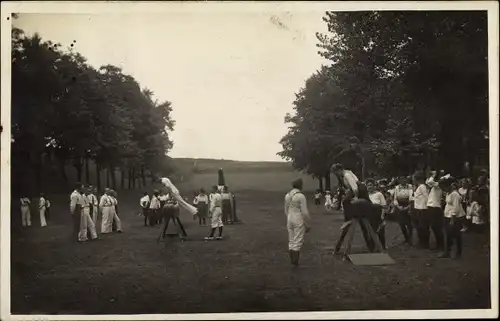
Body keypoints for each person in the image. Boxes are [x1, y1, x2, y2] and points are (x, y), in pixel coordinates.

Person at [284, 178, 311, 267]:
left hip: (289, 217)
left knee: (291, 239)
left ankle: (292, 259)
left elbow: (286, 209)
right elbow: (304, 212)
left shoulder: (287, 195)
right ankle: (295, 261)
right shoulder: (300, 196)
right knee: (298, 239)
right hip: (298, 218)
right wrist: (308, 223)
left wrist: (289, 216)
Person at [439, 178, 465, 259]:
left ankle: (458, 253)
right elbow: (448, 205)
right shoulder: (448, 193)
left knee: (456, 235)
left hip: (455, 217)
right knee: (447, 234)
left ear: (447, 186)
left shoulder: (455, 194)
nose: (443, 189)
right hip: (447, 215)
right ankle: (447, 252)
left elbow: (456, 207)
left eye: (443, 187)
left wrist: (453, 219)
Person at [424, 171, 445, 250]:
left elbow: (429, 181)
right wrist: (430, 175)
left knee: (436, 227)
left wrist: (433, 174)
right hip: (432, 207)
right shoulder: (435, 186)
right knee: (434, 227)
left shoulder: (438, 185)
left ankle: (441, 244)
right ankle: (440, 244)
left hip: (435, 207)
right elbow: (427, 182)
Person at [393, 177, 414, 245]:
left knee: (409, 224)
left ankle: (410, 239)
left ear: (407, 180)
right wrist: (398, 206)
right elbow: (395, 199)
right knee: (401, 224)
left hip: (408, 204)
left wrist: (408, 207)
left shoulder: (410, 186)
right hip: (399, 205)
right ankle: (406, 238)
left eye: (404, 179)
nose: (403, 181)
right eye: (401, 179)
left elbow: (411, 197)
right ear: (399, 180)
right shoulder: (397, 188)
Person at [367, 180, 387, 250]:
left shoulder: (379, 194)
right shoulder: (366, 195)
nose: (369, 187)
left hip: (378, 214)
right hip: (370, 216)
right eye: (368, 185)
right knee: (371, 232)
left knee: (380, 232)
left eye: (371, 185)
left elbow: (384, 206)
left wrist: (382, 215)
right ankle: (372, 247)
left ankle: (383, 246)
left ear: (374, 186)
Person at [412, 171, 429, 249]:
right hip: (418, 209)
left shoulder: (422, 186)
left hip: (423, 209)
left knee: (423, 227)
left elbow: (426, 197)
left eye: (414, 179)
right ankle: (421, 242)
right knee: (419, 227)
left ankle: (425, 243)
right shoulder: (418, 187)